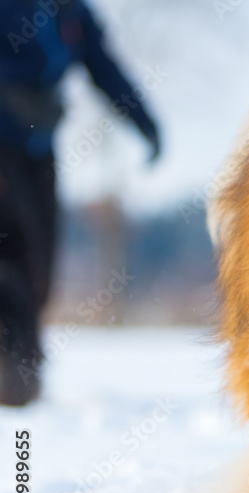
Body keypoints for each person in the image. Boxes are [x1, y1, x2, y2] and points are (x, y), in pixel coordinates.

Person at [0, 0, 159, 405]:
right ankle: (11, 372)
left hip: (38, 147)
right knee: (9, 255)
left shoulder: (70, 11)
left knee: (39, 264)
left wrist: (145, 124)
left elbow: (104, 68)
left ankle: (22, 371)